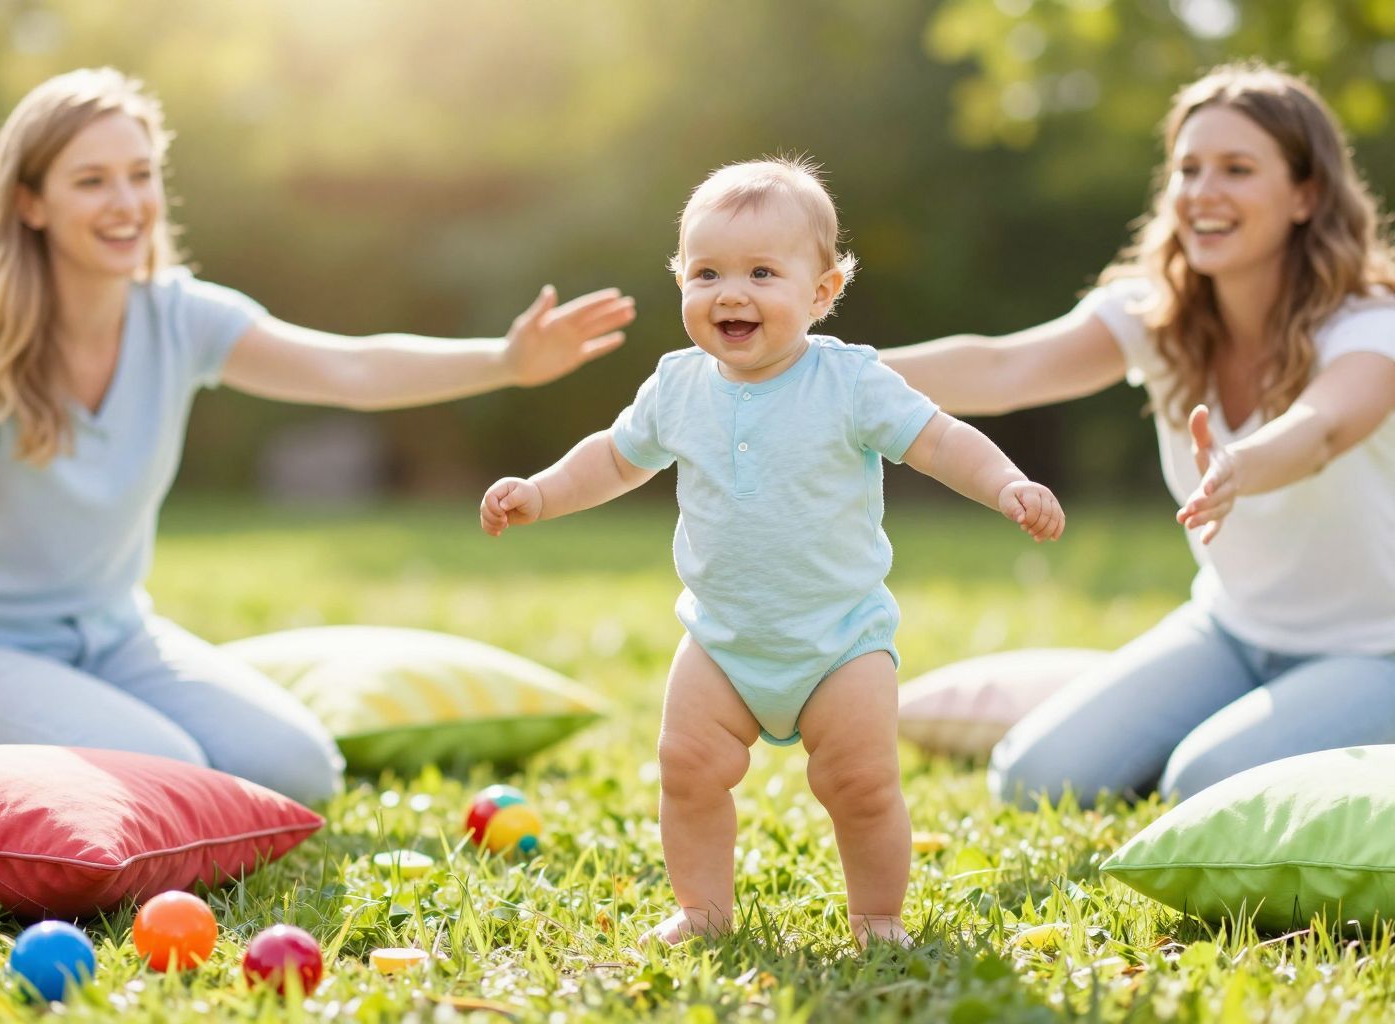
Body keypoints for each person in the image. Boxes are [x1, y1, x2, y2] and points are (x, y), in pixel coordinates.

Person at [0, 67, 636, 805]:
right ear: (30, 203)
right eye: (91, 181)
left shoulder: (180, 317)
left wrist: (504, 361)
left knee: (300, 769)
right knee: (171, 770)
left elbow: (349, 369)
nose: (126, 203)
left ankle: (70, 722)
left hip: (114, 637)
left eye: (140, 175)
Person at [479, 157, 1064, 947]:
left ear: (821, 292)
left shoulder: (850, 381)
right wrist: (542, 492)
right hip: (722, 640)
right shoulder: (677, 386)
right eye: (707, 272)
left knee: (858, 783)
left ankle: (878, 918)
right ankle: (702, 911)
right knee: (685, 767)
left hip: (840, 641)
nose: (731, 293)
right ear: (682, 281)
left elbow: (937, 441)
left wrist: (1005, 484)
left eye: (762, 271)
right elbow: (614, 458)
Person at [878, 63, 1395, 809]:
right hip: (1231, 629)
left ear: (1306, 195)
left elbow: (1322, 428)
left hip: (1374, 650)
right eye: (1188, 169)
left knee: (1205, 782)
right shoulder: (1158, 317)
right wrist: (814, 367)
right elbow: (1002, 368)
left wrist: (1240, 464)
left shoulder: (1370, 325)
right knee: (1033, 779)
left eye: (1237, 169)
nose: (1202, 192)